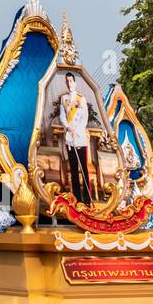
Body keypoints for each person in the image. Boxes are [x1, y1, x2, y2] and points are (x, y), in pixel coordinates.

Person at [58, 72, 92, 205]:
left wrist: (76, 131)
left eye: (71, 81)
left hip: (80, 137)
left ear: (75, 82)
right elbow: (62, 116)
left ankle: (88, 199)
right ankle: (77, 198)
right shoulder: (63, 99)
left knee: (83, 168)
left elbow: (84, 117)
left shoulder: (81, 98)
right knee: (73, 168)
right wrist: (68, 127)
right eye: (67, 81)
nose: (69, 83)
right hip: (69, 137)